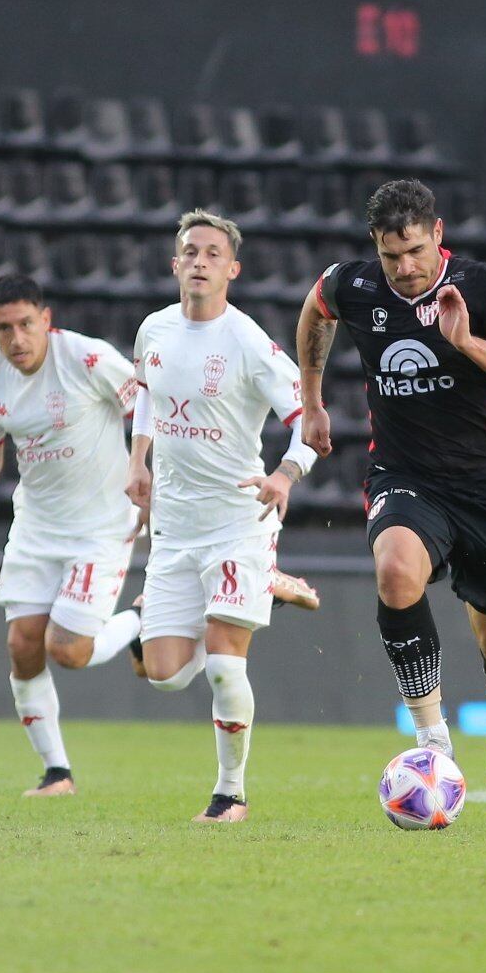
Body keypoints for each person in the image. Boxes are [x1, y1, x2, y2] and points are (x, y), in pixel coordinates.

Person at [295, 179, 486, 813]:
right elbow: (317, 307)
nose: (404, 269)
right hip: (405, 475)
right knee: (395, 571)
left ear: (437, 236)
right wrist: (311, 399)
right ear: (375, 250)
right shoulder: (354, 286)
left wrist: (464, 342)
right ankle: (431, 737)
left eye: (414, 251)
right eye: (391, 256)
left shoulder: (483, 287)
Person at [126, 209, 318, 824]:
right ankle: (269, 587)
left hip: (240, 518)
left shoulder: (249, 344)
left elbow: (311, 426)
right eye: (191, 252)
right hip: (175, 524)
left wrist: (285, 475)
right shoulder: (152, 330)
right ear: (175, 263)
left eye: (213, 253)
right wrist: (139, 462)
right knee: (163, 676)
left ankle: (229, 795)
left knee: (224, 662)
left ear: (231, 269)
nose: (200, 261)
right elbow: (148, 398)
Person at [0, 274, 143, 797]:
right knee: (21, 644)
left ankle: (141, 622)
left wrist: (147, 477)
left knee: (69, 649)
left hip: (101, 526)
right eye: (4, 328)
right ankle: (57, 773)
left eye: (26, 324)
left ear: (46, 320)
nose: (17, 339)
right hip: (35, 526)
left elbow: (149, 409)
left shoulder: (86, 358)